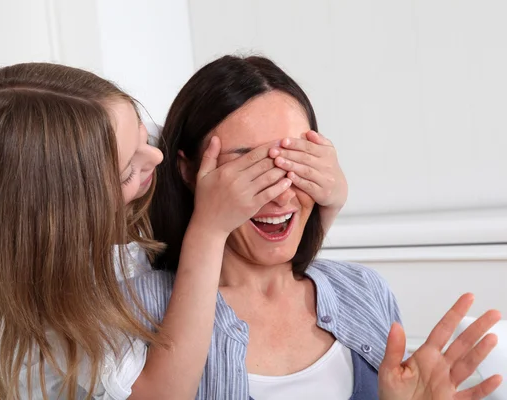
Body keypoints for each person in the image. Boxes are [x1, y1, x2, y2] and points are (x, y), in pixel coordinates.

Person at [0, 62, 347, 399]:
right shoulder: (65, 292)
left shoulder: (144, 153)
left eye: (145, 135)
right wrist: (208, 230)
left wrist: (330, 199)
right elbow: (162, 394)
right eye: (129, 169)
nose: (155, 157)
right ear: (74, 209)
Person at [131, 54, 503, 399]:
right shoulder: (137, 308)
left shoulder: (364, 291)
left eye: (297, 159)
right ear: (189, 172)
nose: (280, 195)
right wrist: (208, 229)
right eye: (250, 167)